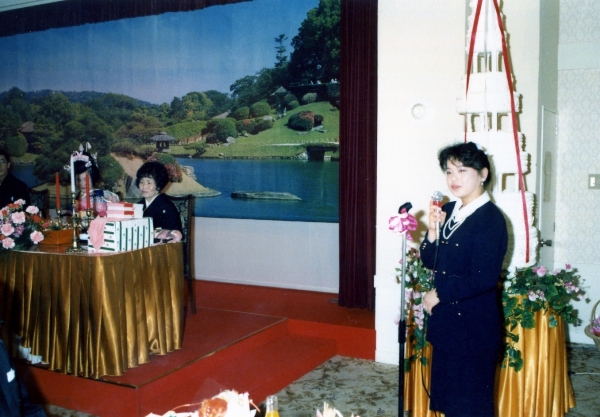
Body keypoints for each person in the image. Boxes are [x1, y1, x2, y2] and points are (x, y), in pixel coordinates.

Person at [420, 142, 508, 417]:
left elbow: (483, 278)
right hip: (448, 324)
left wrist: (439, 294)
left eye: (462, 170)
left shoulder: (491, 220)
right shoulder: (449, 210)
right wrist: (433, 230)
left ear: (483, 174)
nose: (453, 178)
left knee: (470, 406)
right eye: (449, 171)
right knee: (449, 403)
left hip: (473, 328)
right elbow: (430, 260)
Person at [135, 161, 182, 235]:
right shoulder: (137, 206)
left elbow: (175, 236)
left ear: (159, 185)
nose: (144, 186)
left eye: (149, 183)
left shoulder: (167, 208)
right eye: (141, 182)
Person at [72, 150, 119, 216]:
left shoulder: (101, 195)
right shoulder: (76, 198)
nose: (82, 183)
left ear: (92, 177)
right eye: (78, 180)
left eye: (85, 179)